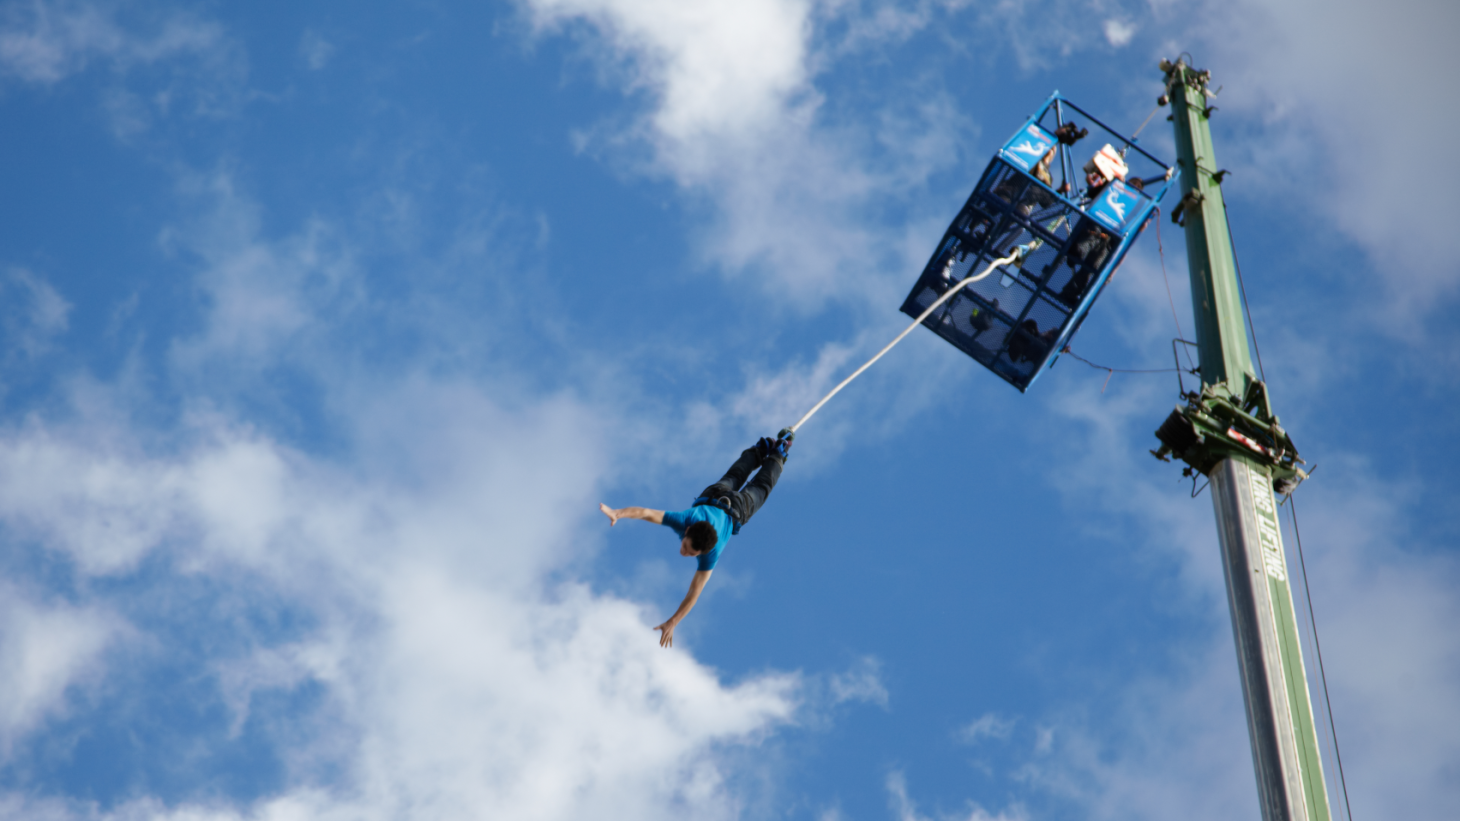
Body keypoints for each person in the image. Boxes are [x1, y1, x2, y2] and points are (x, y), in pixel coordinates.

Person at [599, 433, 792, 647]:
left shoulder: (711, 553)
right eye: (686, 547)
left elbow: (694, 593)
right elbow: (645, 513)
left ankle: (769, 451)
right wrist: (617, 513)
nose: (684, 553)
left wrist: (673, 621)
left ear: (703, 551)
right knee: (755, 485)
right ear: (688, 530)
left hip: (720, 499)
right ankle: (773, 452)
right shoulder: (684, 520)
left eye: (690, 552)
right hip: (731, 506)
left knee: (745, 479)